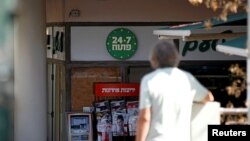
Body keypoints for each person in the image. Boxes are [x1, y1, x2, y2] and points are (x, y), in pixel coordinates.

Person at [135, 41, 214, 141]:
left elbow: (145, 118)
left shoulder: (149, 80)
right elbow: (208, 97)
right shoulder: (187, 78)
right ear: (176, 58)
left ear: (153, 59)